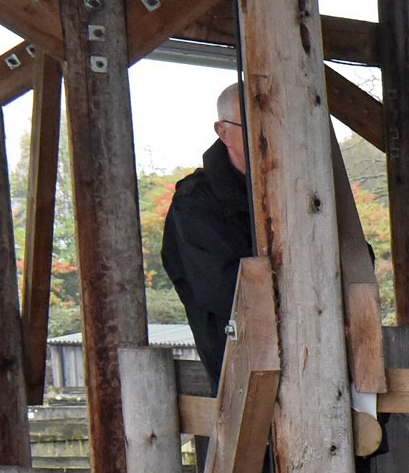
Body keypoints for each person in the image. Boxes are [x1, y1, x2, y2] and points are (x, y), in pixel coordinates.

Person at [161, 82, 385, 452]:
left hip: (329, 370)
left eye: (276, 122)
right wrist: (310, 283)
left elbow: (357, 260)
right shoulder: (196, 203)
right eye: (255, 125)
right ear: (223, 131)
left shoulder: (308, 189)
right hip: (249, 381)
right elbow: (227, 290)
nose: (269, 135)